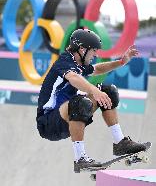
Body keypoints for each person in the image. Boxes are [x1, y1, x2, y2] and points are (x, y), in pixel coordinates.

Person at [36, 29, 146, 173]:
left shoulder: (78, 63)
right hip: (49, 123)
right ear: (82, 49)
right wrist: (94, 91)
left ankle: (120, 143)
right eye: (94, 50)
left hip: (66, 118)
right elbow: (74, 78)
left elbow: (97, 69)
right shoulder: (64, 62)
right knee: (80, 102)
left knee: (109, 91)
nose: (95, 54)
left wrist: (121, 62)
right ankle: (80, 158)